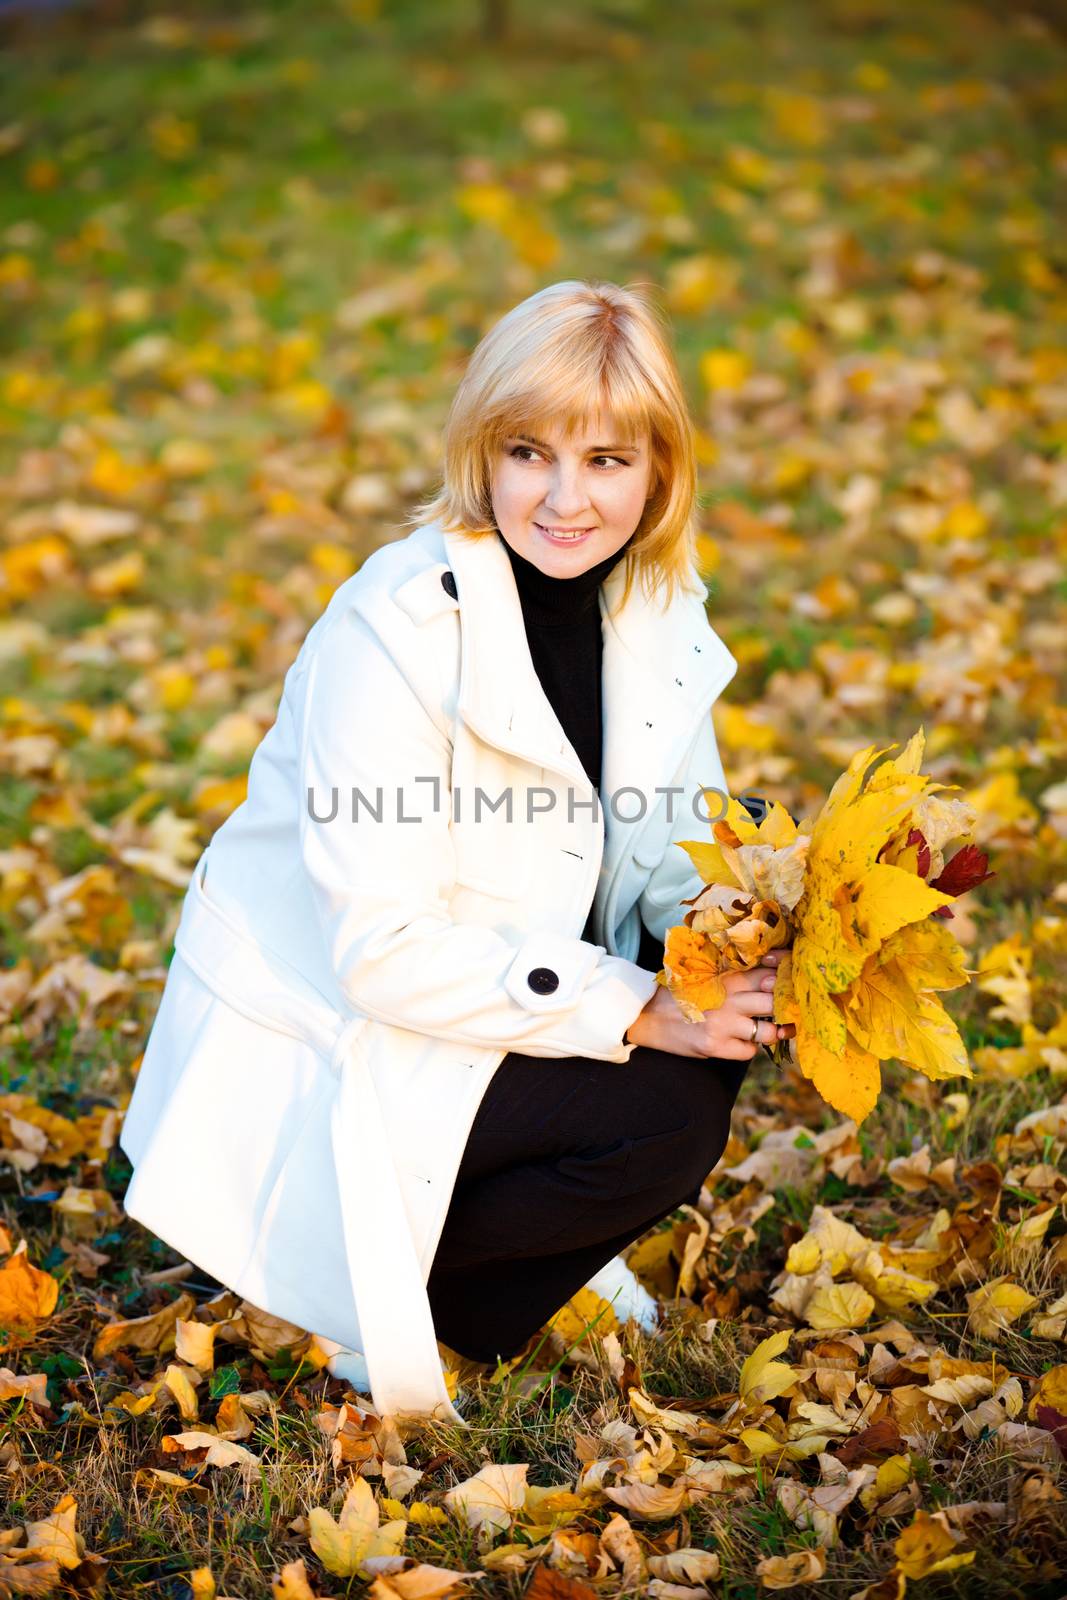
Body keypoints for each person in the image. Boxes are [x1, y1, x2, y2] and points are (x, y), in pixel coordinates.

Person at [118, 278, 790, 1427]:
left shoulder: (656, 605)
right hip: (348, 1028)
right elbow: (379, 951)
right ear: (480, 449)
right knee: (665, 1110)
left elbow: (674, 845)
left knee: (711, 1040)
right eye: (529, 452)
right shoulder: (393, 627)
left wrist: (750, 948)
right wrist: (637, 1007)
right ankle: (384, 1296)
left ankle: (519, 1263)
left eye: (607, 461)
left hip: (496, 987)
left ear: (660, 472)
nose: (565, 499)